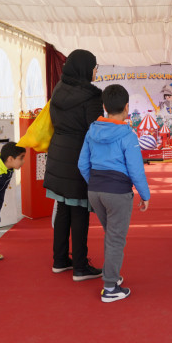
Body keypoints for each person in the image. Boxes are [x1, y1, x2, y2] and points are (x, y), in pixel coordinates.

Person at [78, 84, 150, 303]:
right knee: (115, 239)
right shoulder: (128, 135)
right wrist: (145, 195)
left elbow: (82, 164)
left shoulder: (92, 131)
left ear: (104, 107)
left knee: (112, 235)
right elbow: (136, 170)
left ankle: (113, 277)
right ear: (127, 107)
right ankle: (110, 288)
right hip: (117, 193)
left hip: (95, 191)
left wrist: (95, 184)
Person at [43, 49, 104, 280]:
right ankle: (80, 266)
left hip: (58, 153)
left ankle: (60, 260)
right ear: (85, 68)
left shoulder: (58, 90)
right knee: (80, 210)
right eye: (95, 66)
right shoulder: (91, 96)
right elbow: (96, 132)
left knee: (63, 207)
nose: (96, 70)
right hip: (79, 156)